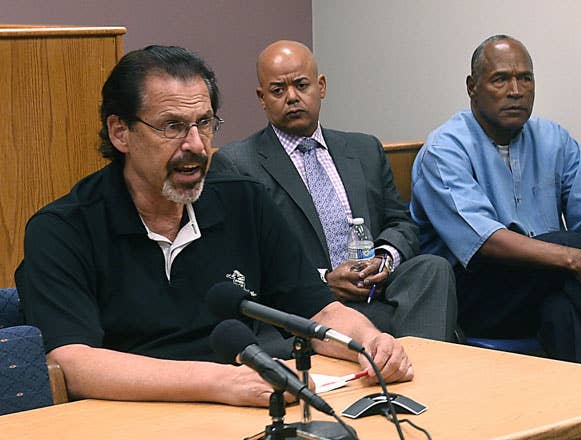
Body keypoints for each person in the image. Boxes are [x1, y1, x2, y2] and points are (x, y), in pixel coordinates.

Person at [16, 45, 413, 408]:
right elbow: (71, 360)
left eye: (204, 124)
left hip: (243, 404)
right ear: (121, 132)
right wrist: (220, 382)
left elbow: (320, 311)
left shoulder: (243, 200)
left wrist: (369, 342)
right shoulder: (63, 228)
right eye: (172, 126)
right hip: (129, 412)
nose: (196, 145)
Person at [410, 35, 581, 372]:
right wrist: (572, 259)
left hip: (547, 285)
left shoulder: (554, 138)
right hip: (476, 297)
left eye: (525, 78)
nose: (516, 90)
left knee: (563, 310)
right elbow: (486, 242)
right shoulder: (444, 150)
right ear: (472, 86)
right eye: (501, 79)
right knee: (570, 248)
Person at [211, 40, 459, 348]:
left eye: (301, 85)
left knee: (433, 268)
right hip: (305, 307)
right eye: (278, 90)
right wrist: (322, 279)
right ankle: (402, 365)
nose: (292, 97)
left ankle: (420, 372)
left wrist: (383, 259)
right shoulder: (238, 163)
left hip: (377, 291)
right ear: (262, 98)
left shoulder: (365, 148)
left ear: (321, 86)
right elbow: (244, 260)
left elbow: (401, 222)